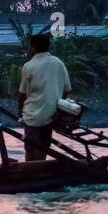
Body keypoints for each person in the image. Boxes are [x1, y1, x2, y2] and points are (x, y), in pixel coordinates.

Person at [17, 32, 72, 162]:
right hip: (51, 114)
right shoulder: (58, 63)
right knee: (44, 146)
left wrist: (20, 111)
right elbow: (67, 89)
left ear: (34, 48)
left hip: (32, 115)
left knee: (30, 147)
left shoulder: (29, 66)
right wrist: (58, 106)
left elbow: (23, 94)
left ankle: (31, 170)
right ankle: (41, 166)